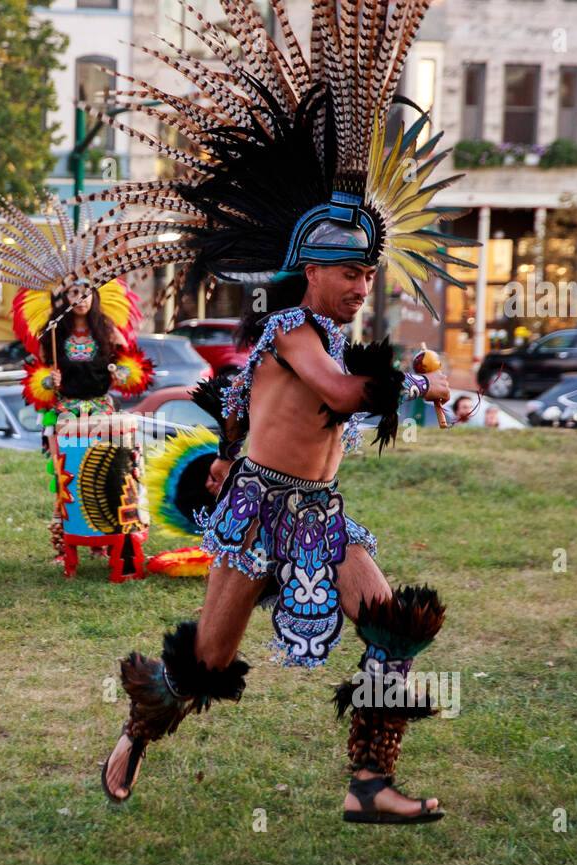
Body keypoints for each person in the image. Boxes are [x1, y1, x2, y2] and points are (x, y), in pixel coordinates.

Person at [93, 0, 478, 822]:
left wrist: (419, 386)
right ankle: (132, 734)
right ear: (311, 272)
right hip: (258, 516)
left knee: (394, 628)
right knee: (205, 659)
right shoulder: (293, 328)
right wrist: (408, 387)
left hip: (319, 515)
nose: (363, 286)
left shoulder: (331, 339)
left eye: (370, 276)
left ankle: (368, 785)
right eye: (351, 276)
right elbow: (341, 399)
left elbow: (259, 405)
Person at [0, 194, 154, 562]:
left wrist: (123, 372)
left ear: (95, 295)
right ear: (63, 297)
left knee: (110, 472)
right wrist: (49, 381)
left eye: (86, 292)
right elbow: (39, 376)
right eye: (73, 292)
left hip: (103, 415)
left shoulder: (107, 330)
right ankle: (69, 542)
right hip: (66, 415)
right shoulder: (52, 334)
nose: (81, 298)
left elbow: (132, 370)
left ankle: (109, 537)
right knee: (67, 478)